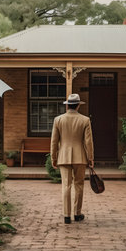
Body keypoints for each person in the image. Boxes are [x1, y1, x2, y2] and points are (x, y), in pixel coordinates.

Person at [50, 93, 94, 224]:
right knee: (79, 185)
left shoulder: (58, 120)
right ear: (78, 105)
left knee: (66, 186)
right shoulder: (85, 120)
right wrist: (91, 157)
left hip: (63, 157)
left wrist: (53, 157)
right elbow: (88, 142)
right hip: (80, 157)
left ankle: (66, 215)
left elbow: (54, 141)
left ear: (67, 105)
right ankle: (77, 213)